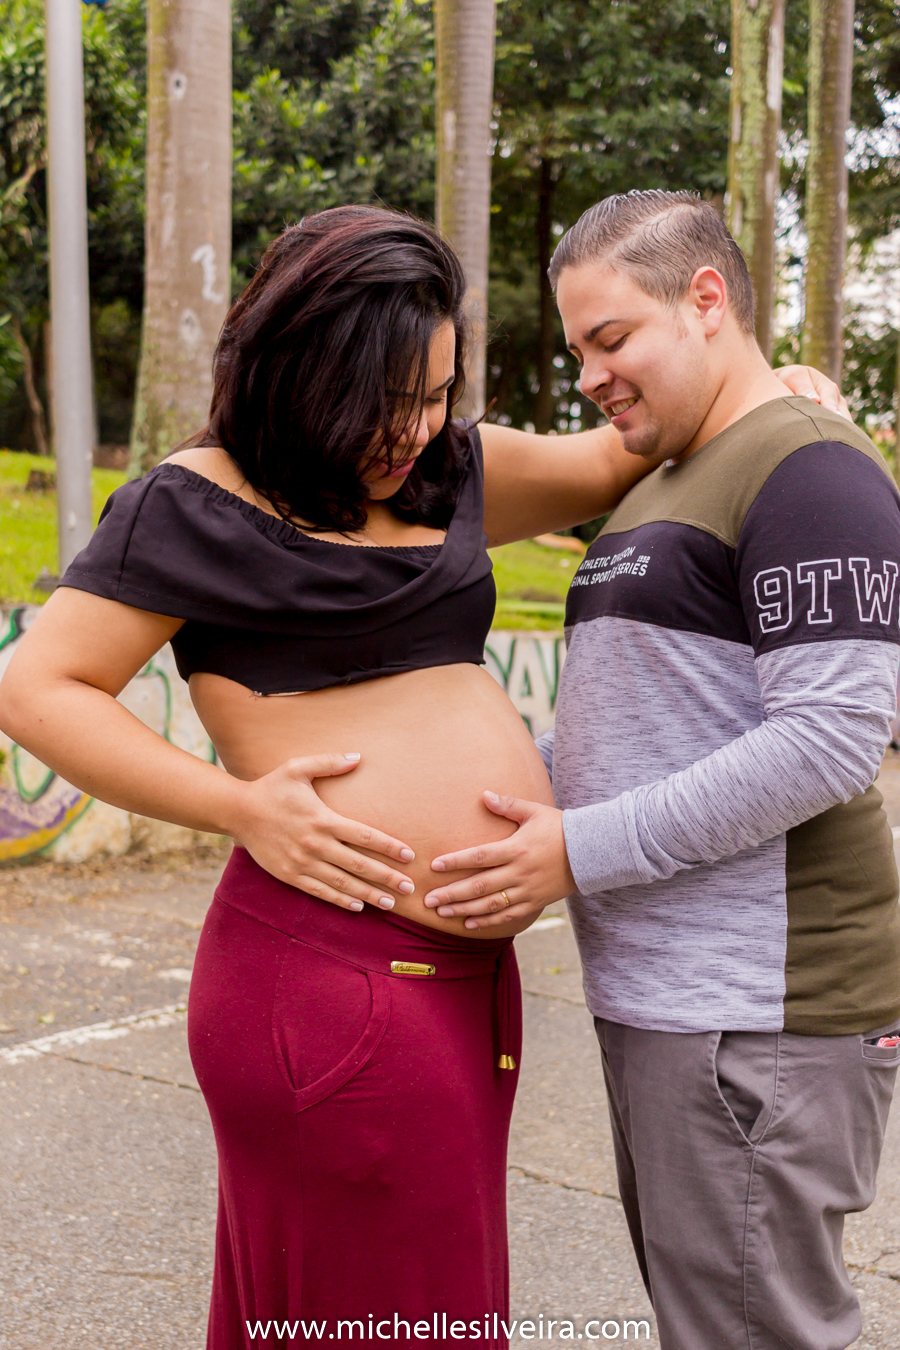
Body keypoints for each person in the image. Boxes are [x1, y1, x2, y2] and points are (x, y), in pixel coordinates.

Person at [0, 204, 840, 1350]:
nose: (417, 426)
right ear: (298, 371)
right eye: (386, 400)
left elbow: (629, 448)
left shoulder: (454, 470)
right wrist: (238, 807)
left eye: (438, 390)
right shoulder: (193, 503)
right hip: (329, 974)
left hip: (458, 987)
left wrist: (776, 384)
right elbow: (39, 687)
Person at [422, 190, 900, 1350]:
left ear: (705, 300)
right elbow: (642, 721)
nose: (588, 372)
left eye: (611, 337)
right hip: (675, 1008)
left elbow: (830, 739)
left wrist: (572, 851)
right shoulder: (656, 480)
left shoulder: (811, 466)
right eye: (578, 345)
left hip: (760, 1015)